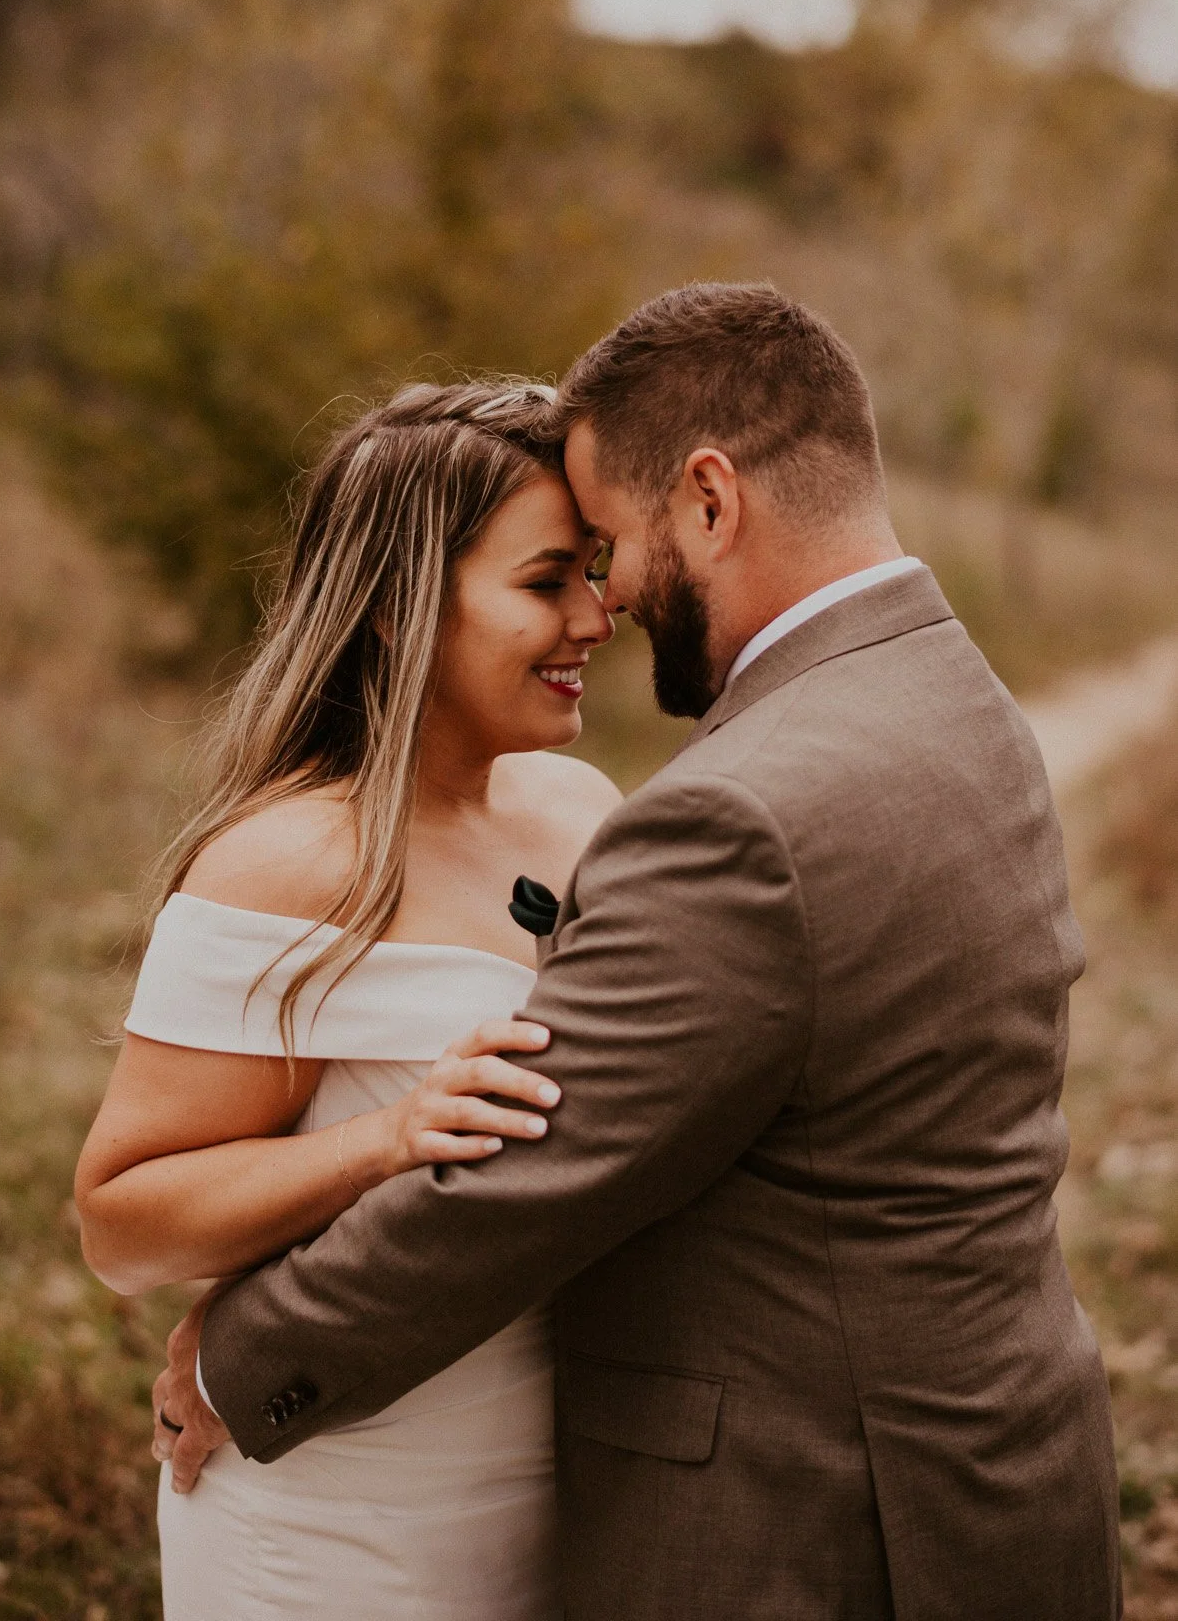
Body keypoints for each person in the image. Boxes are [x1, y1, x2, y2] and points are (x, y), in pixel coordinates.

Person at [154, 283, 1122, 1621]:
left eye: (604, 543)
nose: (605, 606)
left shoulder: (740, 807)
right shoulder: (958, 700)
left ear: (709, 501)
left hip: (819, 1521)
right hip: (996, 1469)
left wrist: (237, 1360)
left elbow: (535, 1172)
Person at [74, 380, 619, 1620]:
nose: (596, 613)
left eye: (591, 571)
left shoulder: (584, 815)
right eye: (546, 581)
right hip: (339, 1516)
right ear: (398, 605)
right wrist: (385, 1139)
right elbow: (121, 1223)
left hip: (569, 1487)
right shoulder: (286, 866)